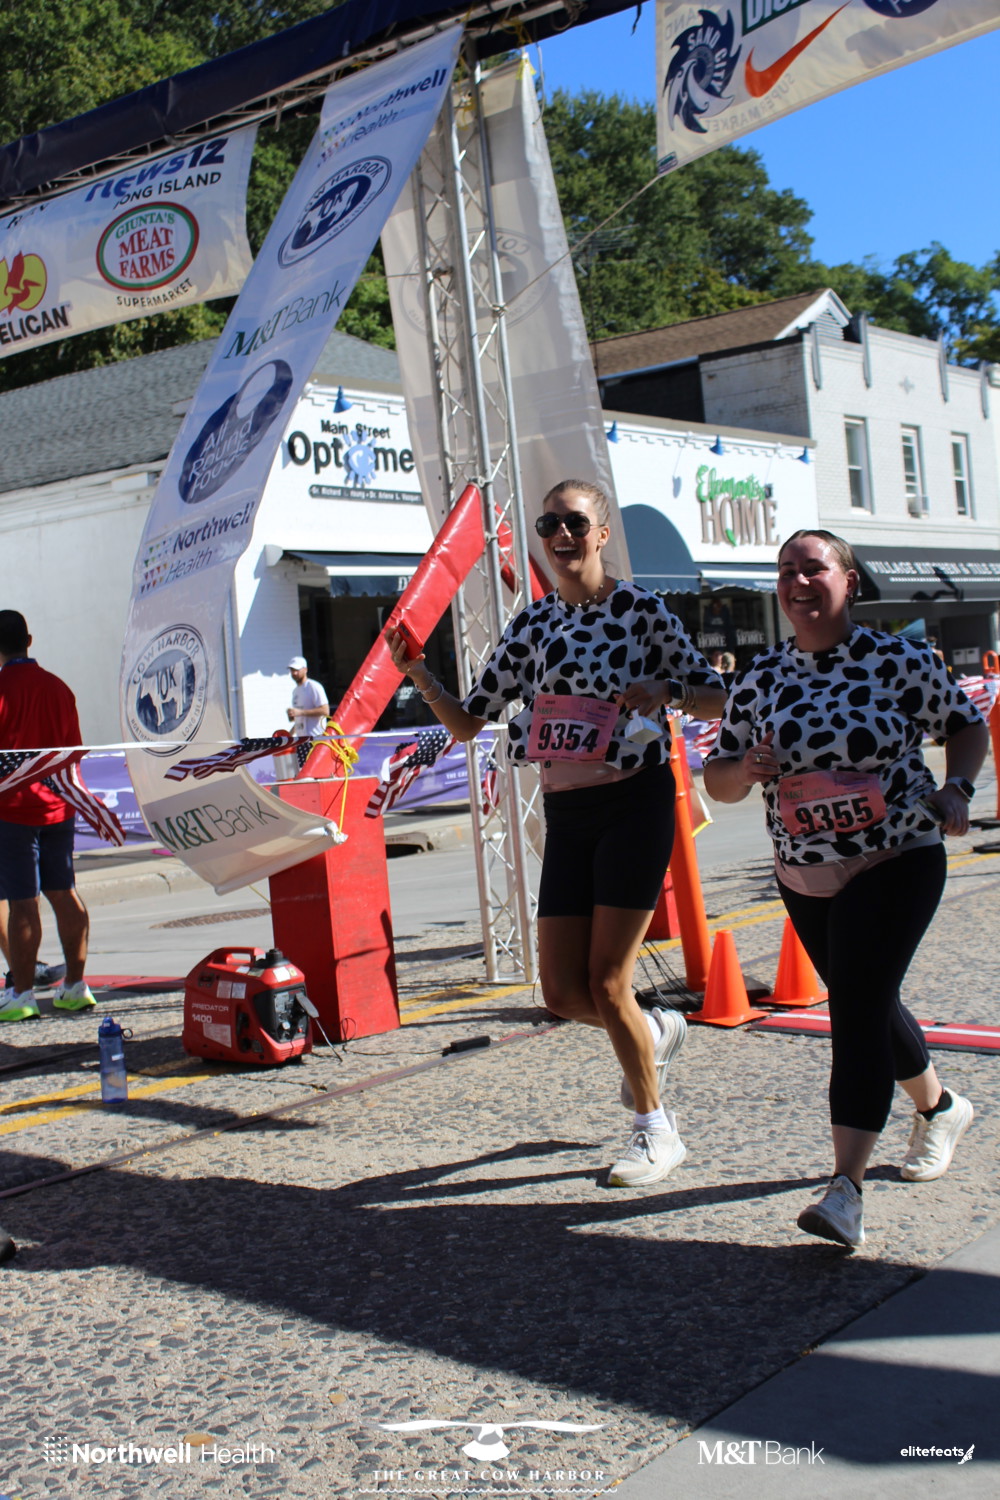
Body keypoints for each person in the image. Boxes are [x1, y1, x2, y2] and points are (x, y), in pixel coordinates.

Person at [385, 479, 726, 1186]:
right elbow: (469, 722)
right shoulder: (533, 626)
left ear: (602, 533)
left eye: (575, 522)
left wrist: (669, 692)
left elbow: (717, 696)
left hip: (633, 804)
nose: (561, 536)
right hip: (567, 813)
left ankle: (656, 1131)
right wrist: (416, 671)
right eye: (548, 525)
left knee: (607, 981)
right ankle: (655, 1030)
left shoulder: (643, 611)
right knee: (563, 994)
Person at [703, 530, 988, 1248]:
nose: (798, 582)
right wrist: (746, 772)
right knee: (869, 1000)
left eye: (814, 569)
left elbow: (965, 725)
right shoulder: (761, 676)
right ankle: (941, 1108)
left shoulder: (898, 659)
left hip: (896, 856)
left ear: (850, 581)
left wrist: (956, 787)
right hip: (804, 871)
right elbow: (720, 778)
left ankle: (845, 1190)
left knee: (855, 1009)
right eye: (786, 571)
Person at [0, 611, 95, 1022]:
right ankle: (75, 986)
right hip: (58, 806)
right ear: (29, 640)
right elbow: (73, 750)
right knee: (64, 892)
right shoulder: (59, 687)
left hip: (13, 811)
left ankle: (22, 995)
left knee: (23, 904)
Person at [286, 656, 329, 739]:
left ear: (305, 669)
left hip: (316, 738)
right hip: (301, 739)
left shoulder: (313, 686)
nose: (294, 673)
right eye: (292, 670)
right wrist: (289, 735)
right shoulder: (295, 691)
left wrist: (300, 712)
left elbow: (325, 710)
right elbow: (300, 720)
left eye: (297, 670)